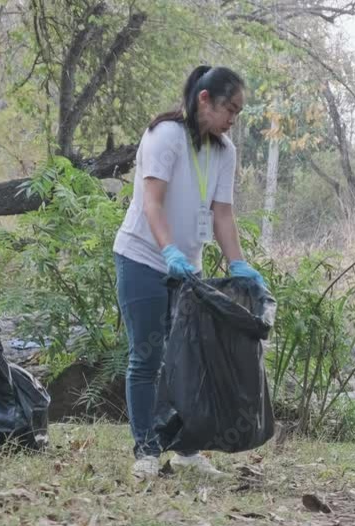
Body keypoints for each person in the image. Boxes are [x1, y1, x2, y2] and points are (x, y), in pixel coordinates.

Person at [112, 66, 266, 480]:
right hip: (142, 257)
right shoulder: (165, 136)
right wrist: (169, 252)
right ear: (204, 99)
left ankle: (186, 450)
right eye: (229, 109)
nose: (233, 119)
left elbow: (223, 213)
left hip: (188, 272)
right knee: (146, 357)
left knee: (188, 362)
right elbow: (153, 203)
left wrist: (238, 264)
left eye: (237, 111)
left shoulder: (224, 151)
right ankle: (146, 451)